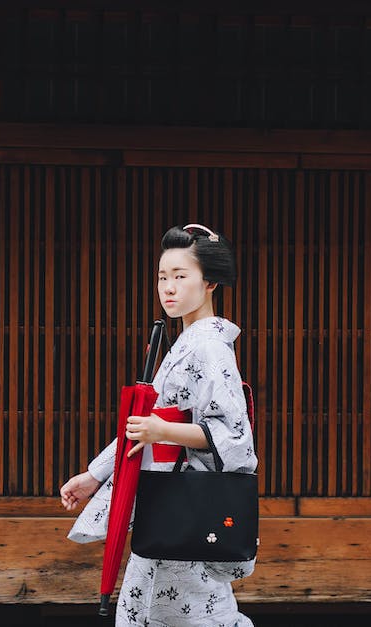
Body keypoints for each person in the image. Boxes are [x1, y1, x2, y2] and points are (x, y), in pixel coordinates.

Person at [59, 223, 258, 626]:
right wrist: (95, 475)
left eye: (181, 277)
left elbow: (233, 437)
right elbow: (145, 426)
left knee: (191, 614)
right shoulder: (184, 343)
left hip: (185, 502)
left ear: (210, 283)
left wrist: (162, 431)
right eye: (162, 277)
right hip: (168, 500)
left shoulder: (209, 347)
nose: (168, 287)